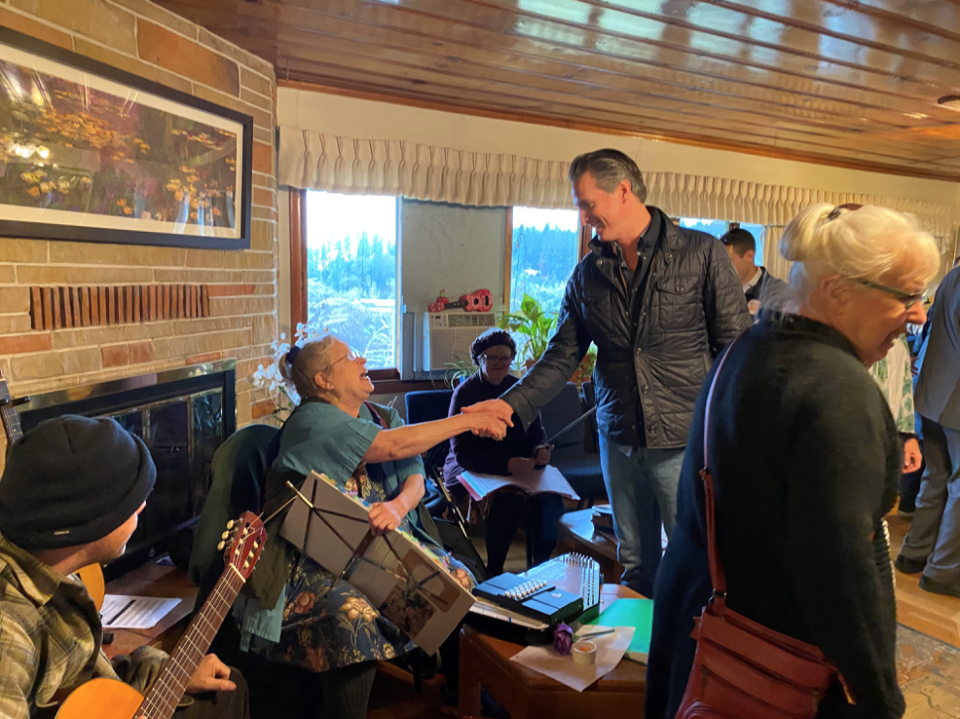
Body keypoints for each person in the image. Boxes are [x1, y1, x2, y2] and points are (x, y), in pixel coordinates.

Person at [646, 203, 936, 719]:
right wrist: (878, 695)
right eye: (907, 296)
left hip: (700, 632)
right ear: (839, 290)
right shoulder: (840, 390)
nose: (919, 314)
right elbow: (838, 569)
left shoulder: (744, 350)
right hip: (776, 665)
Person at [463, 148, 751, 597]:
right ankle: (643, 664)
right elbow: (561, 355)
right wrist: (507, 405)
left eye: (586, 204)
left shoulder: (703, 254)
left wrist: (730, 438)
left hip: (685, 442)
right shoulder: (586, 275)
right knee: (635, 565)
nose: (583, 218)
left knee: (695, 564)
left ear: (622, 191)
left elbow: (737, 350)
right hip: (617, 439)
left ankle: (690, 660)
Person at [243, 334, 507, 719]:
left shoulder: (380, 415)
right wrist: (470, 420)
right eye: (349, 357)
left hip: (375, 552)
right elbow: (392, 447)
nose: (363, 359)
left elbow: (414, 470)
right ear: (324, 381)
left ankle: (460, 692)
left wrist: (399, 506)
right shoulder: (310, 421)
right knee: (353, 615)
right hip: (308, 562)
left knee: (458, 582)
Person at [0, 415, 249, 719]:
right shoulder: (8, 635)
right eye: (130, 498)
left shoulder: (53, 566)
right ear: (87, 523)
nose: (143, 506)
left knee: (229, 684)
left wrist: (168, 673)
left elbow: (90, 682)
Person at [443, 328, 565, 575]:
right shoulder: (465, 393)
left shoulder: (520, 391)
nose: (500, 363)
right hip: (473, 462)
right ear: (479, 359)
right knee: (507, 501)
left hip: (518, 462)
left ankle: (540, 568)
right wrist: (508, 465)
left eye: (505, 358)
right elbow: (462, 454)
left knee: (551, 501)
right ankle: (495, 569)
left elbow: (537, 433)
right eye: (492, 358)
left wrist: (540, 449)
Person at [896, 265, 960, 596]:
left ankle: (915, 552)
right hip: (955, 403)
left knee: (935, 478)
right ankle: (944, 571)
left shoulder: (954, 273)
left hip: (931, 395)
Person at [720, 226, 789, 316]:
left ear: (749, 256)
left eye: (728, 261)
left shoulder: (778, 293)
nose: (722, 267)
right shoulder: (718, 290)